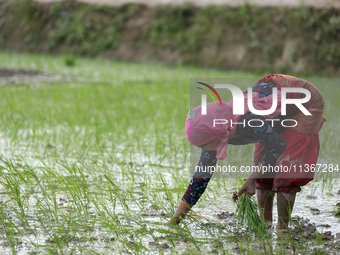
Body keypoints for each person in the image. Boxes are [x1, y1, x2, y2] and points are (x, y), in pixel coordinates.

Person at [168, 74, 326, 230]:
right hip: (276, 105)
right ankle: (266, 225)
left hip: (305, 101)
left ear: (215, 133)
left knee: (286, 171)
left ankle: (282, 230)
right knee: (262, 169)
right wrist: (176, 219)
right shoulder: (220, 129)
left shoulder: (247, 123)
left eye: (204, 144)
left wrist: (250, 179)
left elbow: (277, 146)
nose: (203, 150)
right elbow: (200, 180)